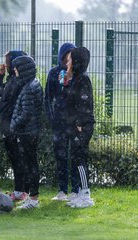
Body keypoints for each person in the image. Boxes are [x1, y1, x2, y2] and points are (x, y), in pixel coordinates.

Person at [44, 43, 78, 201]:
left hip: (74, 122)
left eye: (71, 55)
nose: (68, 58)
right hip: (58, 122)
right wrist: (51, 118)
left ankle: (76, 190)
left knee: (75, 155)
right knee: (60, 156)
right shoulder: (53, 73)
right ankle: (62, 190)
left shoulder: (78, 74)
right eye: (66, 55)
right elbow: (48, 97)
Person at [10, 55, 43, 209]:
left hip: (27, 132)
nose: (15, 73)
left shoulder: (29, 88)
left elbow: (26, 113)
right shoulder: (31, 84)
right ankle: (31, 196)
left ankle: (34, 198)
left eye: (16, 70)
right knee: (30, 164)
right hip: (30, 131)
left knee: (30, 165)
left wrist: (14, 125)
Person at [0, 50, 30, 202]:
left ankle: (21, 190)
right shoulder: (11, 79)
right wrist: (0, 76)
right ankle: (21, 189)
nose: (6, 64)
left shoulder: (20, 81)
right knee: (15, 157)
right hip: (7, 123)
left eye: (8, 61)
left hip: (13, 125)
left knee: (19, 158)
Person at [65, 47, 95, 208]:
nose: (67, 62)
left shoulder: (83, 79)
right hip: (76, 126)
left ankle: (85, 194)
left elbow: (84, 103)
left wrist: (79, 124)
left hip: (82, 126)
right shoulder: (76, 78)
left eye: (70, 59)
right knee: (76, 159)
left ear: (76, 62)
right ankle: (78, 192)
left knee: (80, 160)